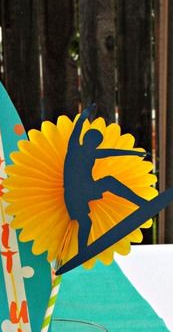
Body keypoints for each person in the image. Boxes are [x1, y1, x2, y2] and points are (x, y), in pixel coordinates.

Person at [63, 105, 150, 253]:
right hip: (74, 194)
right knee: (85, 222)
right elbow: (76, 133)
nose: (95, 147)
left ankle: (141, 203)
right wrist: (83, 117)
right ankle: (81, 250)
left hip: (83, 191)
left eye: (96, 144)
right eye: (94, 143)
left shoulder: (89, 152)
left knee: (108, 184)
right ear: (88, 141)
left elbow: (111, 152)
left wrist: (133, 153)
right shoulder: (75, 148)